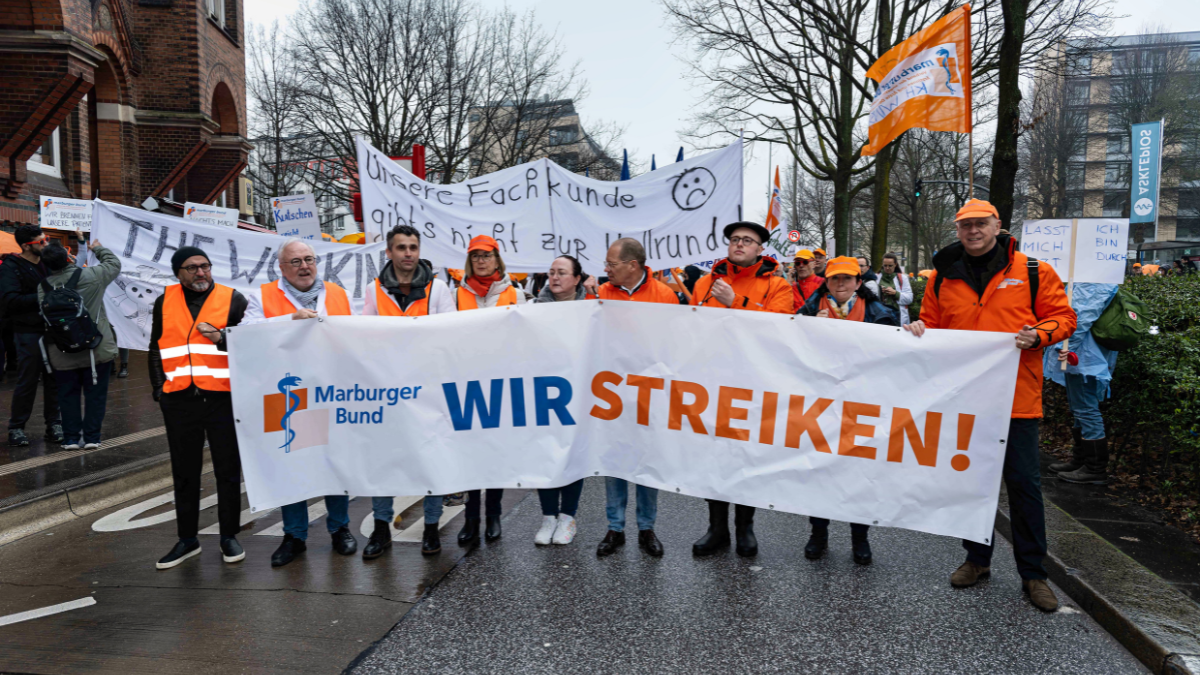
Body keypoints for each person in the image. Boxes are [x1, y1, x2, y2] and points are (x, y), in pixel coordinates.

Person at [904, 198, 1076, 612]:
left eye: (981, 224)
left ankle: (1034, 574)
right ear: (957, 231)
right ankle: (977, 560)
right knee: (971, 485)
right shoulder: (942, 274)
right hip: (966, 400)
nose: (973, 231)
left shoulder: (1034, 271)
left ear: (998, 225)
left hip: (1016, 400)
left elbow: (1064, 317)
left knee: (1024, 488)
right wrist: (919, 328)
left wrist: (1039, 334)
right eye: (965, 226)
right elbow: (932, 324)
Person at [241, 239, 360, 567]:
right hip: (287, 396)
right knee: (291, 467)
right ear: (281, 268)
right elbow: (245, 335)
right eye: (296, 261)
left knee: (335, 464)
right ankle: (295, 535)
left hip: (331, 394)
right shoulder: (262, 297)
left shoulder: (337, 294)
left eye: (309, 259)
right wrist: (287, 322)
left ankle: (340, 528)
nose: (304, 266)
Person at [689, 222, 793, 558]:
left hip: (752, 383)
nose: (739, 245)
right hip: (711, 381)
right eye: (735, 239)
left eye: (747, 241)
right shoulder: (706, 282)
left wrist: (737, 301)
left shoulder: (777, 285)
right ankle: (716, 527)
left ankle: (744, 526)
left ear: (761, 249)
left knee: (746, 456)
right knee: (712, 456)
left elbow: (779, 329)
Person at [150, 246, 248, 570]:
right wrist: (158, 390)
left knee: (227, 470)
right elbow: (156, 346)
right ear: (178, 273)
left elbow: (252, 348)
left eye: (204, 266)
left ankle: (228, 537)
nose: (201, 272)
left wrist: (221, 338)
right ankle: (187, 539)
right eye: (192, 268)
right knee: (185, 472)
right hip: (178, 400)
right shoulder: (164, 301)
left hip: (222, 398)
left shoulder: (234, 299)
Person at [796, 256, 897, 564]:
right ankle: (818, 533)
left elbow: (895, 351)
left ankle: (860, 537)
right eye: (834, 279)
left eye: (846, 279)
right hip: (822, 404)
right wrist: (814, 328)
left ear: (858, 281)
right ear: (827, 281)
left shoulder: (881, 313)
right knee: (821, 469)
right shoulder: (809, 311)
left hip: (863, 404)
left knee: (860, 471)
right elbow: (790, 346)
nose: (840, 284)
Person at [363, 225, 456, 556]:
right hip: (388, 392)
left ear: (419, 251)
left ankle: (431, 528)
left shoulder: (439, 289)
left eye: (413, 247)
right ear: (388, 252)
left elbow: (450, 336)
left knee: (431, 459)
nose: (407, 253)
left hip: (429, 391)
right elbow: (363, 337)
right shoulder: (374, 291)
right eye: (401, 247)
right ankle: (380, 529)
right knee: (383, 462)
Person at [596, 238, 680, 558]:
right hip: (612, 391)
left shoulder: (665, 295)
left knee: (647, 460)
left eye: (612, 264)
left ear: (633, 266)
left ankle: (647, 527)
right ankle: (615, 528)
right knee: (614, 460)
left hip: (649, 391)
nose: (606, 269)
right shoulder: (603, 294)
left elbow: (673, 344)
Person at [452, 235, 526, 546]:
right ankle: (471, 517)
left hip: (500, 382)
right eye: (476, 256)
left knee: (494, 452)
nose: (481, 261)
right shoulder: (456, 294)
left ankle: (493, 514)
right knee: (470, 453)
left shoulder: (514, 294)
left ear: (497, 259)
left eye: (487, 255)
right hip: (466, 382)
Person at [530, 255, 593, 545]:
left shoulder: (592, 309)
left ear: (577, 279)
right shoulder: (533, 310)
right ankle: (548, 516)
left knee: (572, 454)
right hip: (544, 390)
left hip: (578, 391)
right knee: (546, 451)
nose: (555, 277)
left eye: (562, 273)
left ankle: (568, 517)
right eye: (552, 272)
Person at [37, 241, 121, 450]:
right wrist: (98, 248)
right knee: (95, 396)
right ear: (68, 259)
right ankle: (92, 438)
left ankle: (71, 439)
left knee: (67, 396)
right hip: (96, 349)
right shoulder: (93, 276)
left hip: (61, 352)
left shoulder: (43, 287)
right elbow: (114, 264)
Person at [1045, 283, 1119, 486]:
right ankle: (1081, 461)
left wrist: (1064, 346)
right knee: (1080, 407)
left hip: (1082, 354)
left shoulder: (1094, 281)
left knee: (1085, 408)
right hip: (1081, 353)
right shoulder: (1091, 278)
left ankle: (1094, 468)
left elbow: (1082, 316)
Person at [0, 226, 62, 446]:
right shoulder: (10, 267)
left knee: (54, 379)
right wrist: (44, 298)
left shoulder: (48, 263)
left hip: (52, 330)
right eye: (41, 241)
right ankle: (16, 427)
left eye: (45, 240)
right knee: (27, 381)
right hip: (28, 332)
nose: (45, 244)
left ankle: (54, 424)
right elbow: (10, 301)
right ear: (27, 246)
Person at [878, 252, 914, 325]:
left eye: (890, 265)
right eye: (885, 265)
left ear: (895, 264)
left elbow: (909, 298)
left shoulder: (902, 278)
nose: (887, 268)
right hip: (880, 317)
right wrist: (879, 291)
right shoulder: (876, 278)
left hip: (898, 317)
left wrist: (895, 293)